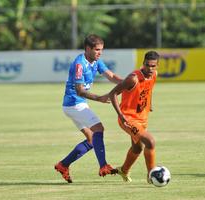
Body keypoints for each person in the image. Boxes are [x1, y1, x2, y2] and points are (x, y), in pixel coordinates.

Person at [54, 34, 122, 183]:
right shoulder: (79, 64)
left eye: (101, 50)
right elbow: (80, 91)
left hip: (76, 104)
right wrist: (100, 98)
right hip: (74, 103)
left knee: (92, 141)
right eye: (97, 50)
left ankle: (63, 165)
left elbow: (111, 76)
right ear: (88, 48)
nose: (100, 52)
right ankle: (103, 166)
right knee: (99, 129)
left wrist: (127, 83)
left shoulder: (96, 61)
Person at [109, 50, 159, 183]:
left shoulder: (154, 75)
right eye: (148, 65)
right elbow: (113, 94)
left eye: (153, 66)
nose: (150, 68)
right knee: (150, 142)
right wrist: (121, 115)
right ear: (143, 63)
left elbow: (149, 90)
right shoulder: (133, 78)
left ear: (157, 66)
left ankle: (123, 170)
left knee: (138, 148)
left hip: (142, 118)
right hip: (128, 119)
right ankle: (151, 175)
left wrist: (150, 104)